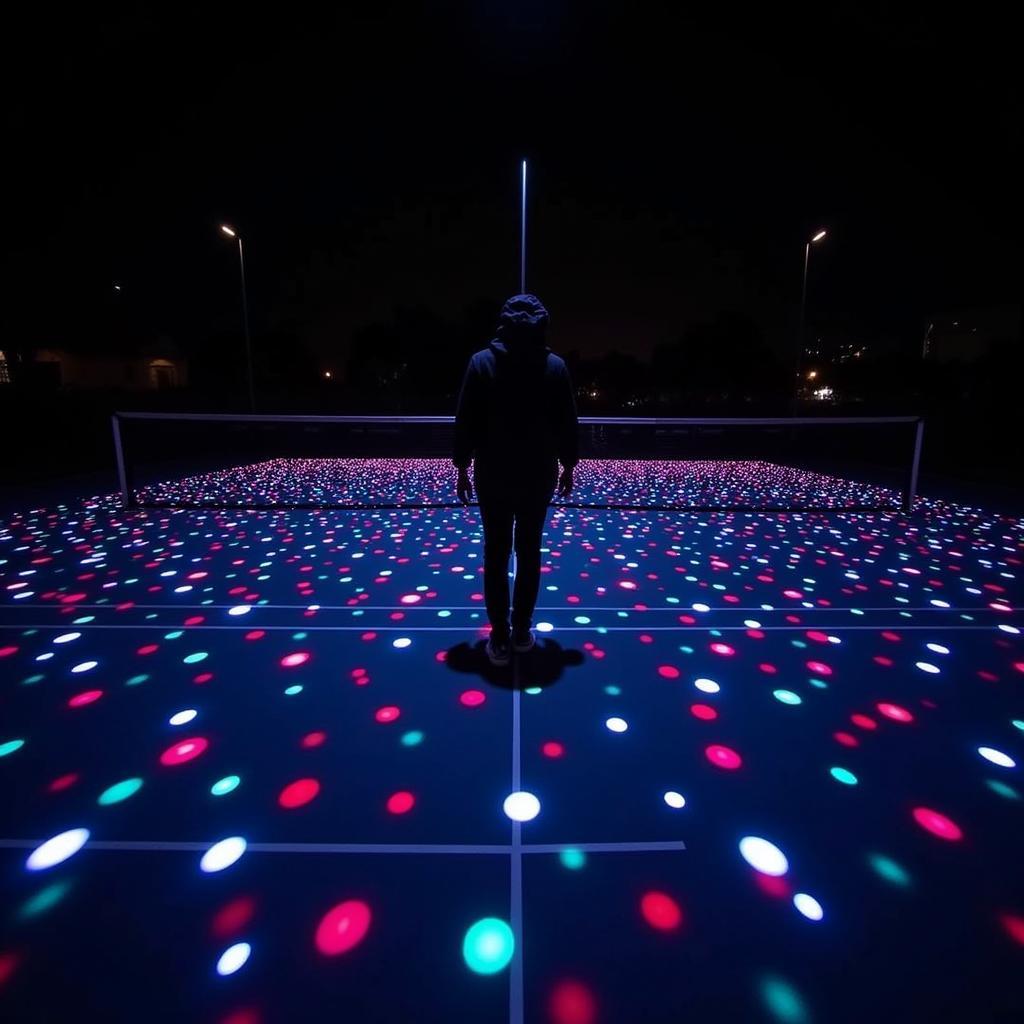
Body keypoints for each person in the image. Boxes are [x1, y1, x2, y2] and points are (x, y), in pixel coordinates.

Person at [453, 293, 579, 666]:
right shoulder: (554, 367)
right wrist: (568, 465)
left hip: (493, 474)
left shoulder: (481, 363)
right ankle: (521, 630)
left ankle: (499, 635)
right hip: (537, 475)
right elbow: (567, 423)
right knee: (528, 554)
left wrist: (461, 466)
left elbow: (466, 421)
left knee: (495, 555)